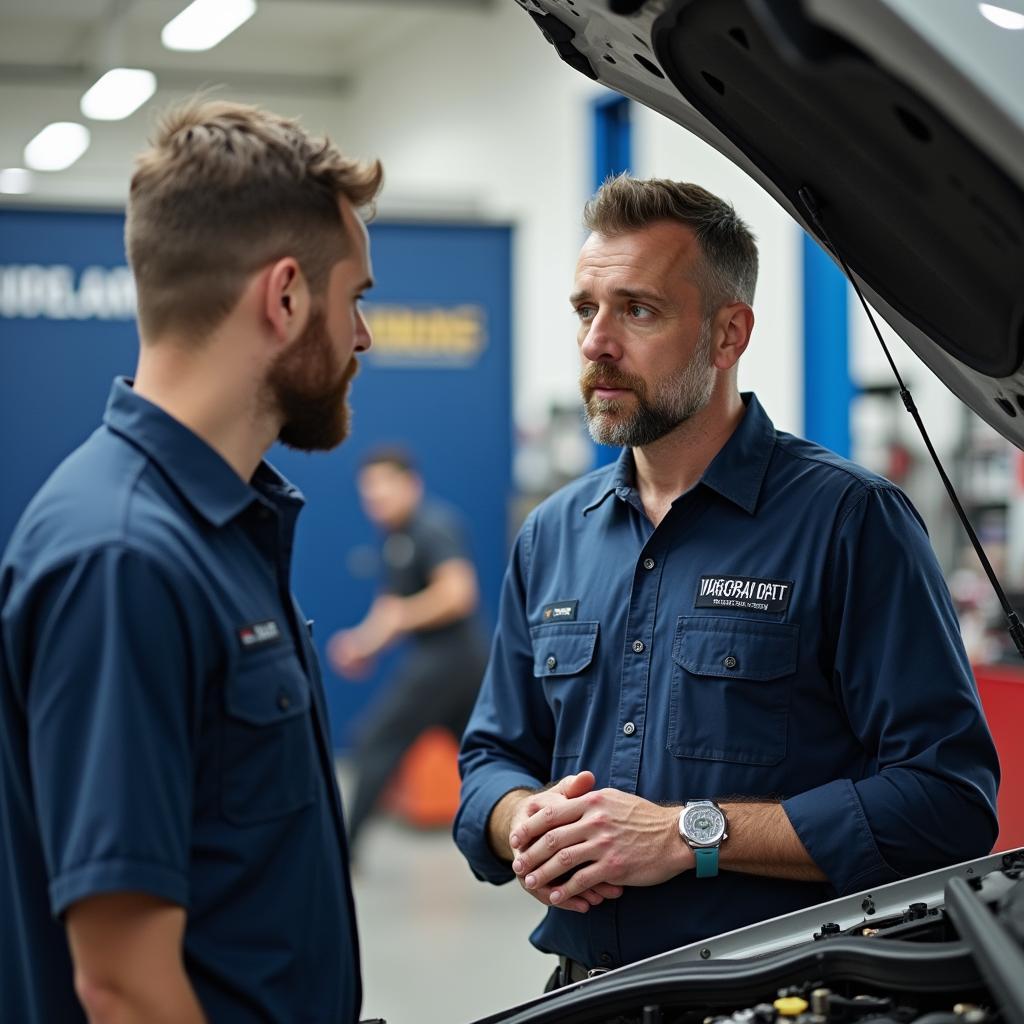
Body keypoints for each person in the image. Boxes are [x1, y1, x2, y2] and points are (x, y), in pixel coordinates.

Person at [454, 175, 1000, 988]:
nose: (597, 342)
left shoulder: (851, 523)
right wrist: (522, 821)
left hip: (777, 988)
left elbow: (947, 802)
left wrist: (688, 833)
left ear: (727, 334)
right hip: (584, 987)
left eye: (637, 310)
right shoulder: (552, 536)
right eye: (584, 309)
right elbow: (492, 755)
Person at [0, 99, 382, 1023]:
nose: (363, 337)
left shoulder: (216, 529)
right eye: (355, 299)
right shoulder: (122, 556)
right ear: (285, 296)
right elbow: (123, 983)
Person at [329, 448, 489, 857]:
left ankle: (341, 850)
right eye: (369, 492)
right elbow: (391, 609)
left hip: (451, 661)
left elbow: (457, 594)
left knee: (375, 742)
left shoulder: (433, 527)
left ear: (411, 485)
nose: (376, 499)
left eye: (385, 487)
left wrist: (400, 617)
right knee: (484, 753)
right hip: (444, 665)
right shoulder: (394, 538)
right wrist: (364, 644)